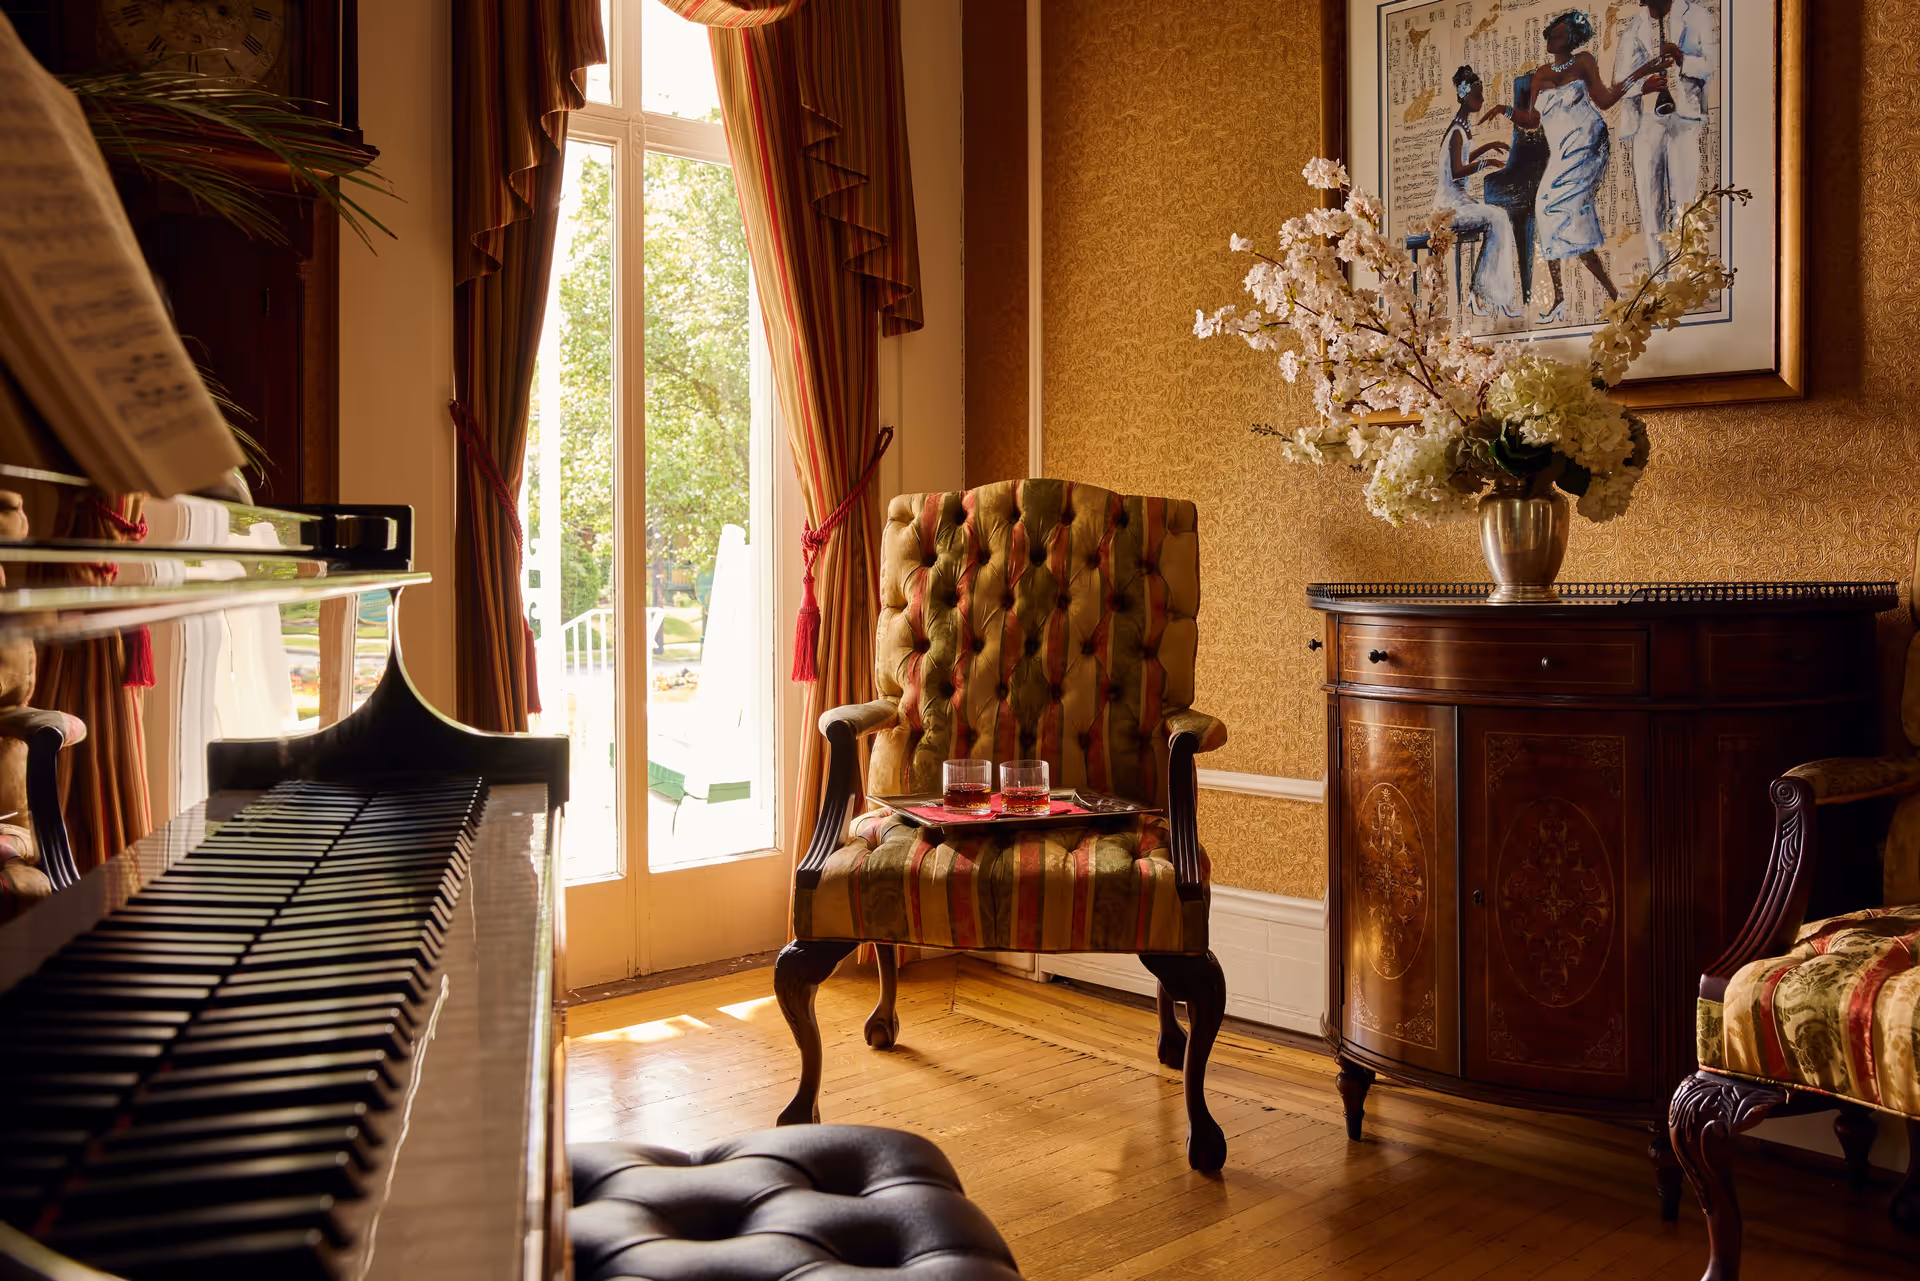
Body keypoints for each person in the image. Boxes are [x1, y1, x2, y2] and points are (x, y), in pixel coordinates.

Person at [1483, 10, 1672, 324]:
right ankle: (1559, 299)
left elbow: (1606, 99)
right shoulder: (1541, 73)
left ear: (1571, 38)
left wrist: (1644, 73)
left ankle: (1614, 296)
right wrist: (1505, 109)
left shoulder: (1584, 61)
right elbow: (1531, 122)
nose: (1550, 39)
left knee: (1574, 213)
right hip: (1561, 151)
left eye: (1556, 34)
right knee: (1544, 209)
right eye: (1549, 34)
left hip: (1589, 144)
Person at [1613, 0, 1717, 273]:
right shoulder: (1634, 27)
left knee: (1684, 203)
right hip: (1647, 122)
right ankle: (1660, 280)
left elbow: (1711, 66)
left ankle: (1683, 276)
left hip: (1684, 119)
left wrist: (1681, 58)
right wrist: (1643, 86)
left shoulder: (1697, 16)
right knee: (1650, 206)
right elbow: (1619, 82)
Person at [1434, 66, 1519, 320]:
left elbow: (1461, 159)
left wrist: (1489, 147)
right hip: (1449, 207)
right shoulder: (1456, 132)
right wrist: (1487, 163)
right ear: (1465, 96)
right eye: (1478, 96)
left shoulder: (1461, 127)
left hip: (1459, 201)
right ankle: (1486, 293)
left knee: (1499, 218)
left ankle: (1481, 292)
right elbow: (1458, 171)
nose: (1482, 101)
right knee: (1499, 218)